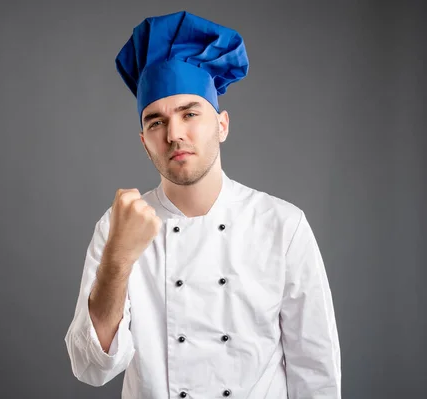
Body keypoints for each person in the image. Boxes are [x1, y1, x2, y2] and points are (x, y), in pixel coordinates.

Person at [64, 10, 341, 399]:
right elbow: (91, 367)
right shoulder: (116, 227)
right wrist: (119, 260)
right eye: (156, 122)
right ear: (144, 142)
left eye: (189, 113)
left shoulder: (282, 225)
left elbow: (316, 372)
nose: (174, 134)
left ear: (222, 125)